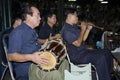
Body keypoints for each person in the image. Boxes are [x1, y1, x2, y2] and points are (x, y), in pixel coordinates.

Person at [7, 3, 69, 80]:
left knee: (64, 63)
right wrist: (31, 57)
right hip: (28, 69)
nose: (40, 18)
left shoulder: (32, 30)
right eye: (37, 15)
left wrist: (48, 40)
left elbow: (37, 42)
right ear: (28, 16)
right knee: (54, 74)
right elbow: (10, 56)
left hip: (38, 63)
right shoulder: (18, 32)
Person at [60, 9, 113, 80]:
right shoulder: (66, 30)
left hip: (83, 52)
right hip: (77, 57)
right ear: (69, 16)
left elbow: (82, 39)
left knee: (107, 52)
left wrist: (87, 29)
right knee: (100, 58)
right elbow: (78, 44)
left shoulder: (73, 27)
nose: (77, 17)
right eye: (76, 15)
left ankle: (108, 74)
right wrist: (82, 29)